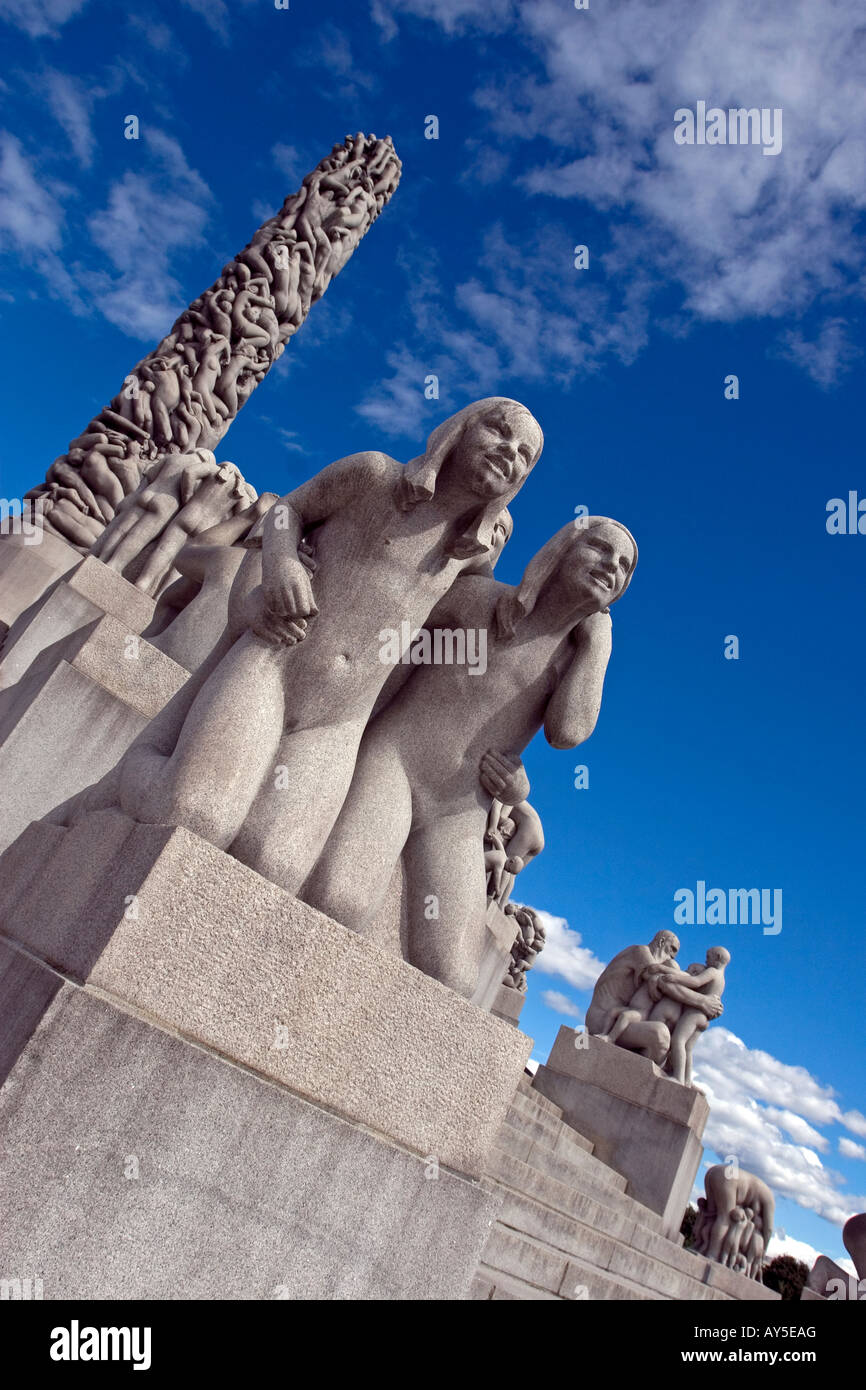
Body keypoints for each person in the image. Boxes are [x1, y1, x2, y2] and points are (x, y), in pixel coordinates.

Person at [301, 517, 636, 996]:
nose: (612, 568)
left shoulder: (570, 661)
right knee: (339, 898)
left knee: (452, 976)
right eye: (601, 551)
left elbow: (568, 732)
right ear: (561, 551)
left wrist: (598, 644)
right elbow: (391, 656)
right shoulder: (479, 601)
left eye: (624, 568)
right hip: (393, 763)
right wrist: (338, 731)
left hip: (459, 810)